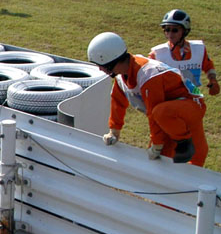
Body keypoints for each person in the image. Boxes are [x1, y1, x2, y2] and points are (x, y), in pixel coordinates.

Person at [87, 32, 208, 166]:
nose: (99, 68)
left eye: (101, 65)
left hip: (190, 107)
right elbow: (118, 101)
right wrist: (114, 131)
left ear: (109, 61)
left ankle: (184, 142)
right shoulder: (122, 76)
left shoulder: (148, 76)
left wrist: (156, 144)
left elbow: (153, 113)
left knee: (195, 158)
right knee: (160, 162)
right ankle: (180, 144)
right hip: (170, 117)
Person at [149, 9, 219, 97]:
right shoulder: (157, 54)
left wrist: (213, 80)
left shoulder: (198, 49)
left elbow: (208, 67)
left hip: (193, 98)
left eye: (175, 30)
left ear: (185, 31)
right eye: (167, 29)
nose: (170, 34)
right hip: (168, 99)